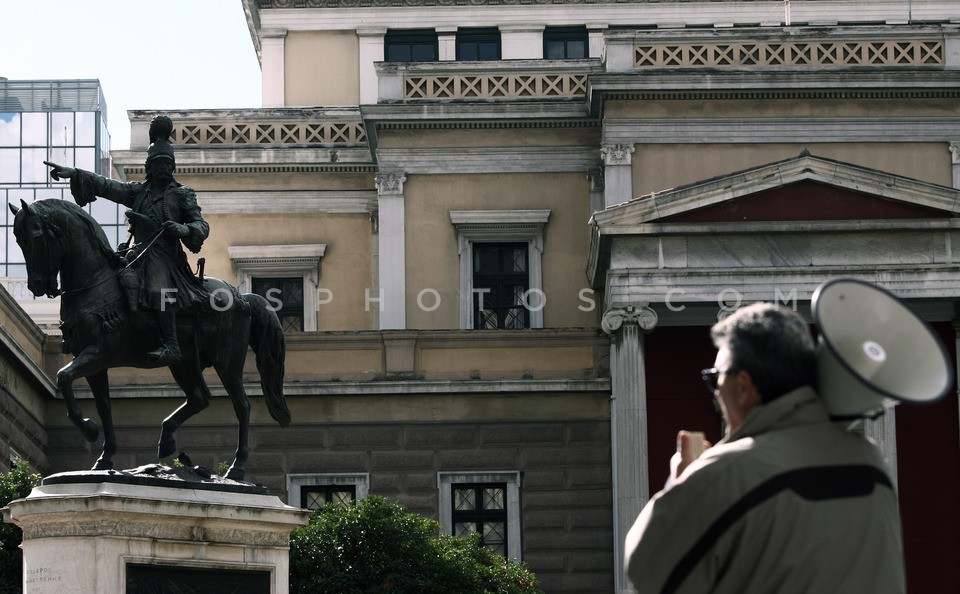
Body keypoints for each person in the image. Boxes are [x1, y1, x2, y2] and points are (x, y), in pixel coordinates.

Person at [624, 303, 905, 593]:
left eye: (714, 379)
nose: (716, 392)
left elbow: (647, 571)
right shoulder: (870, 460)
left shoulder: (723, 474)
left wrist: (682, 482)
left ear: (743, 387)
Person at [44, 115, 209, 365]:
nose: (162, 168)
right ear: (149, 167)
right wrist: (75, 173)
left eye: (167, 164)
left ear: (172, 167)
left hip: (165, 258)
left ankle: (172, 345)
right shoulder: (137, 192)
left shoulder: (182, 194)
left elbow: (201, 225)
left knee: (157, 288)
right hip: (136, 255)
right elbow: (106, 186)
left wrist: (183, 229)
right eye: (158, 164)